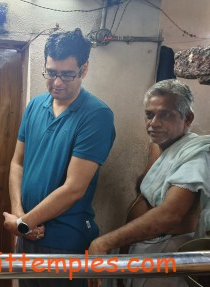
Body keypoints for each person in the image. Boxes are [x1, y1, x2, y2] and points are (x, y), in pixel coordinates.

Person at [3, 28, 116, 287]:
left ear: (84, 69)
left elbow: (74, 188)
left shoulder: (95, 115)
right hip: (28, 236)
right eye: (51, 72)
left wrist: (23, 224)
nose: (57, 82)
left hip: (64, 241)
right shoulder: (35, 106)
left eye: (67, 74)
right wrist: (21, 217)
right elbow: (17, 163)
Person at [88, 79, 210, 287]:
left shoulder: (195, 156)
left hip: (165, 259)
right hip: (143, 254)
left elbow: (169, 215)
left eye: (165, 114)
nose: (153, 123)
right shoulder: (161, 146)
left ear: (187, 118)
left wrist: (104, 242)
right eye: (149, 114)